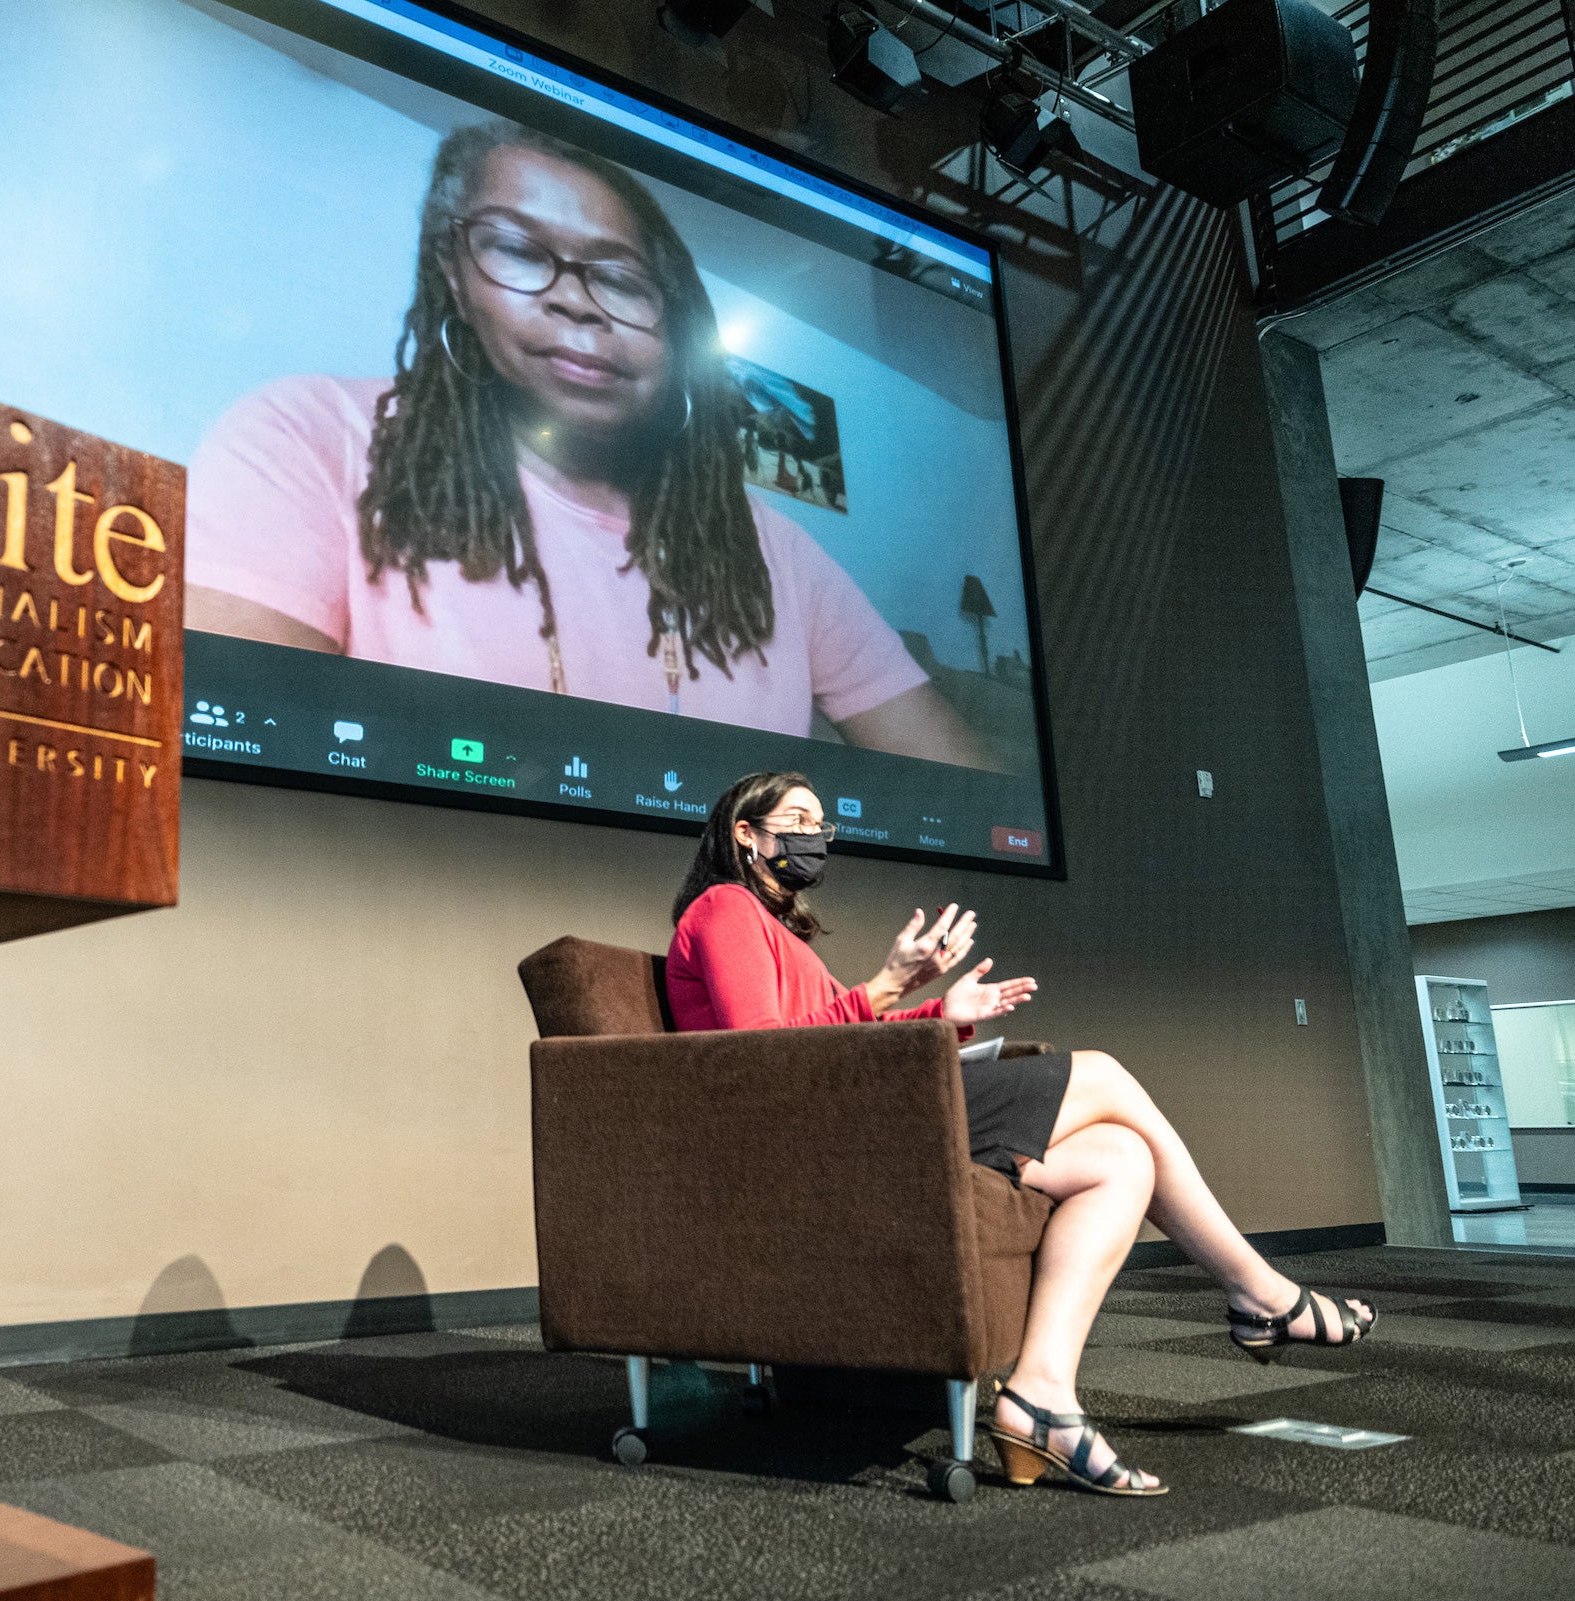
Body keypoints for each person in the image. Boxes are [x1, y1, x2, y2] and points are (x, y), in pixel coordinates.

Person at [186, 119, 994, 769]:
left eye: (621, 278)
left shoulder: (782, 556)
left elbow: (976, 803)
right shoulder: (308, 441)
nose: (576, 300)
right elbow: (233, 781)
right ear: (454, 273)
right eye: (521, 250)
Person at [665, 770, 1378, 1496]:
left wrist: (941, 1012)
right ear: (745, 833)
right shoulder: (724, 907)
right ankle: (1261, 1293)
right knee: (1099, 1072)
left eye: (824, 825)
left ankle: (1041, 1395)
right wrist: (888, 984)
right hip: (827, 1132)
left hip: (855, 1109)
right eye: (798, 820)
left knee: (1119, 1158)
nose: (816, 837)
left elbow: (846, 1039)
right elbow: (768, 1057)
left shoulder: (777, 932)